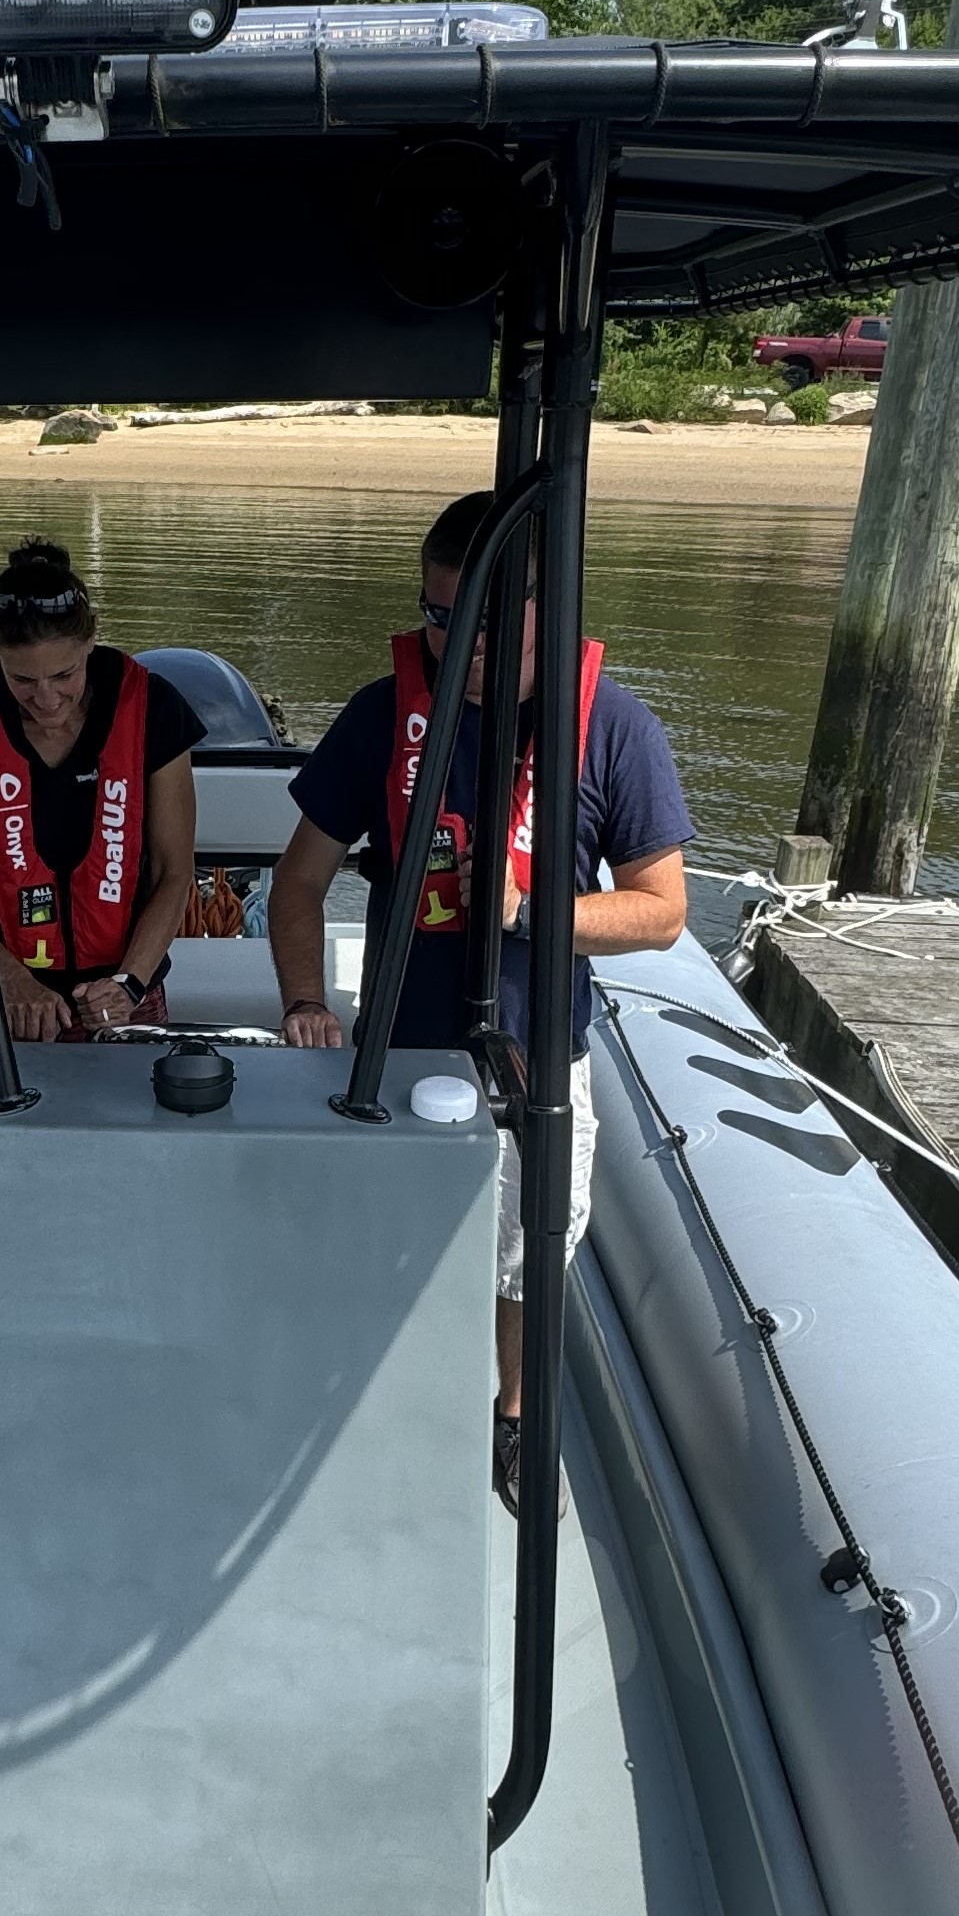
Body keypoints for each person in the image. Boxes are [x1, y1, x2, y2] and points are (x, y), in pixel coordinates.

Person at [269, 492, 691, 1512]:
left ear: (539, 615)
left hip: (538, 1052)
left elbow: (663, 913)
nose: (447, 640)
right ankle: (371, 1406)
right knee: (390, 1243)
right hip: (401, 1051)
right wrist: (302, 1002)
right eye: (435, 616)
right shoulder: (384, 715)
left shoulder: (614, 729)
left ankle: (511, 1412)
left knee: (523, 1257)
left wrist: (535, 909)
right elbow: (297, 883)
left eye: (473, 624)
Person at [0, 537, 202, 1044]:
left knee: (128, 1121)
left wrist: (128, 983)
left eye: (64, 674)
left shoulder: (155, 709)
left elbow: (174, 871)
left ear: (91, 641)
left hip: (128, 992)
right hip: (3, 993)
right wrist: (12, 978)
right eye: (22, 680)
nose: (47, 699)